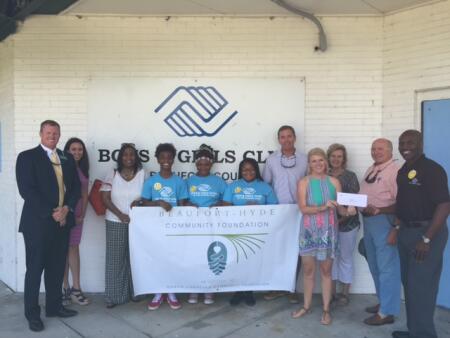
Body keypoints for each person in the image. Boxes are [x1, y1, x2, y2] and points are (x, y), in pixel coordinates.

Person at [16, 120, 80, 332]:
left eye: (56, 133)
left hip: (62, 222)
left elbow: (75, 189)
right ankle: (32, 314)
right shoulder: (27, 157)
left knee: (55, 269)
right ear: (41, 133)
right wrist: (53, 212)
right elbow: (27, 190)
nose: (52, 136)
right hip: (38, 223)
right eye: (48, 132)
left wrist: (67, 209)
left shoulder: (66, 157)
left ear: (60, 135)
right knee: (35, 270)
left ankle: (54, 307)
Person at [392, 130, 450, 338]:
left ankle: (424, 335)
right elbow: (403, 204)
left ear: (421, 144)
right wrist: (394, 225)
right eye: (402, 142)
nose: (405, 146)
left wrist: (427, 239)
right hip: (407, 232)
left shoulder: (432, 170)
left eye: (410, 142)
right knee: (410, 284)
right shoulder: (403, 170)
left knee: (422, 287)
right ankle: (415, 331)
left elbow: (444, 205)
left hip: (426, 235)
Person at [292, 148, 356, 325]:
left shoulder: (334, 182)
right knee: (308, 271)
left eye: (321, 160)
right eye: (314, 161)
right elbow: (303, 208)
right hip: (308, 232)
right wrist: (323, 207)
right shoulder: (303, 182)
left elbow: (340, 208)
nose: (318, 164)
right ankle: (306, 306)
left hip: (329, 232)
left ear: (325, 162)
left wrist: (349, 211)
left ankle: (326, 310)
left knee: (326, 272)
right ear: (309, 164)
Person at [138, 143, 189, 311]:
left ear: (173, 160)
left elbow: (182, 204)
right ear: (157, 159)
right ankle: (158, 292)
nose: (166, 160)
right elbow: (144, 202)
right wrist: (158, 202)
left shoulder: (179, 182)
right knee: (157, 259)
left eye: (169, 157)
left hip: (174, 228)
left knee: (173, 258)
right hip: (155, 228)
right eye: (163, 157)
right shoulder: (151, 181)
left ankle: (171, 291)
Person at [223, 157, 278, 306]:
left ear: (257, 170)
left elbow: (274, 208)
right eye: (245, 169)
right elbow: (226, 205)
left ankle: (249, 291)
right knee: (237, 261)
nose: (248, 172)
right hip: (236, 232)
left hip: (257, 232)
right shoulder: (234, 186)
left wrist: (259, 208)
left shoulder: (264, 187)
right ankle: (238, 291)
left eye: (252, 169)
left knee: (253, 262)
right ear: (240, 171)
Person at [262, 125, 308, 303]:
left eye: (289, 136)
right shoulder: (271, 160)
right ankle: (276, 287)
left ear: (295, 138)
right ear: (278, 140)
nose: (286, 140)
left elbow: (310, 184)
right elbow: (266, 184)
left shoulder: (305, 159)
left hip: (299, 211)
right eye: (282, 137)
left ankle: (291, 288)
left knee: (295, 251)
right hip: (278, 213)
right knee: (277, 249)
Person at [359, 138, 401, 326]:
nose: (376, 152)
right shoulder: (372, 168)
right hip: (369, 222)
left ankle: (387, 312)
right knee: (375, 264)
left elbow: (403, 203)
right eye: (373, 148)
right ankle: (383, 302)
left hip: (385, 221)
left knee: (387, 268)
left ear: (391, 151)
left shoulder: (396, 170)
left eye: (381, 149)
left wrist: (395, 228)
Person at [100, 143, 145, 308]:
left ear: (136, 157)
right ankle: (113, 296)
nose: (129, 157)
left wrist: (139, 202)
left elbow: (146, 197)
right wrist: (120, 215)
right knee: (115, 260)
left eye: (132, 154)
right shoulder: (112, 173)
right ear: (120, 157)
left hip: (136, 223)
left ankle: (134, 293)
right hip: (114, 221)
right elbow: (105, 198)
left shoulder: (142, 174)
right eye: (125, 154)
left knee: (134, 258)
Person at [185, 144, 227, 305]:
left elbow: (227, 200)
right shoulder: (188, 181)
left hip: (212, 226)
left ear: (211, 164)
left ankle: (209, 290)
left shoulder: (218, 181)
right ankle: (194, 289)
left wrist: (219, 204)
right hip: (193, 227)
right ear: (196, 164)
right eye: (200, 163)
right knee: (194, 256)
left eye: (207, 164)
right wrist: (188, 205)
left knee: (211, 256)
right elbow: (182, 201)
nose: (203, 166)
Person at [327, 143, 360, 306]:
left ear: (344, 159)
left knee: (345, 258)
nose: (336, 159)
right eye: (333, 156)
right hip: (327, 226)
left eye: (339, 156)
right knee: (331, 259)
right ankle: (331, 292)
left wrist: (340, 220)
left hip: (348, 225)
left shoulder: (350, 176)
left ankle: (344, 293)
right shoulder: (322, 176)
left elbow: (353, 203)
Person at [62, 137, 90, 306]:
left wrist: (83, 214)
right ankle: (65, 288)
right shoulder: (62, 168)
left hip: (78, 214)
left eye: (80, 149)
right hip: (65, 212)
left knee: (73, 248)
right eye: (73, 149)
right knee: (62, 250)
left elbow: (85, 193)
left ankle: (76, 288)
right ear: (67, 151)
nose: (77, 152)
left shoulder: (83, 169)